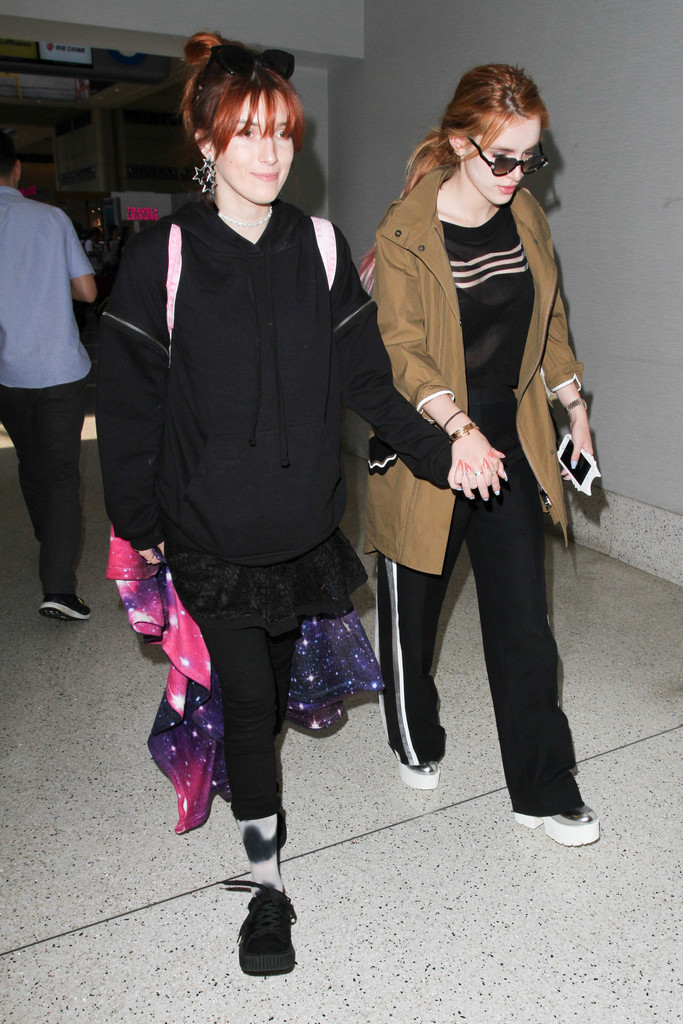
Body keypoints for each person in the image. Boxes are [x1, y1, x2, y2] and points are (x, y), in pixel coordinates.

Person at [96, 32, 458, 976]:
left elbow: (368, 381)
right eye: (246, 132)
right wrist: (140, 526)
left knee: (263, 698)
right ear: (205, 142)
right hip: (207, 534)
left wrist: (445, 451)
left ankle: (247, 782)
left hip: (301, 531)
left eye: (282, 133)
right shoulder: (162, 256)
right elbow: (129, 407)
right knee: (251, 699)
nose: (269, 152)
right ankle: (267, 887)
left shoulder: (321, 247)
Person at [364, 64, 600, 847]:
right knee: (413, 615)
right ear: (461, 142)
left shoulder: (524, 214)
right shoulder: (405, 230)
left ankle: (543, 787)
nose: (516, 175)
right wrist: (458, 430)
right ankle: (413, 736)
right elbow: (401, 350)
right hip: (428, 439)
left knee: (523, 621)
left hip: (510, 436)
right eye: (502, 158)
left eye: (529, 159)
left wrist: (573, 408)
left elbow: (550, 318)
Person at [0, 130, 96, 620]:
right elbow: (87, 291)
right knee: (60, 474)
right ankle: (58, 585)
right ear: (16, 169)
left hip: (6, 372)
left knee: (31, 461)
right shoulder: (50, 218)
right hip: (59, 368)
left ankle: (50, 540)